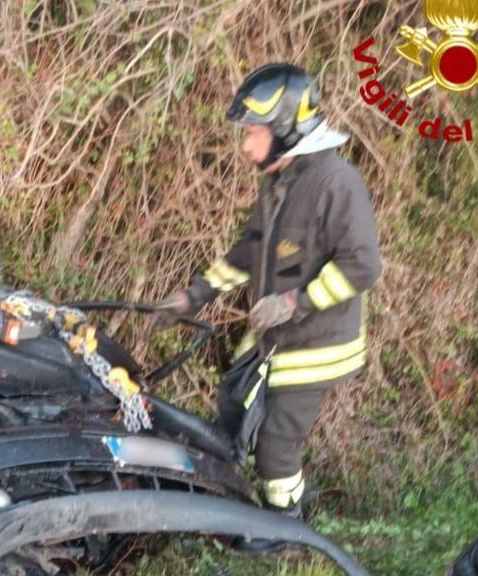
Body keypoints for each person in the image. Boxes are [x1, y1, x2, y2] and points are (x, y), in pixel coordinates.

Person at [156, 63, 382, 521]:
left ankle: (286, 527)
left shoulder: (335, 183)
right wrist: (194, 295)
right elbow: (249, 250)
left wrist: (295, 302)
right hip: (274, 336)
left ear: (284, 128)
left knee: (277, 446)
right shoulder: (279, 182)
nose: (246, 145)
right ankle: (243, 504)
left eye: (254, 133)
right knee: (233, 409)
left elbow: (362, 265)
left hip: (315, 344)